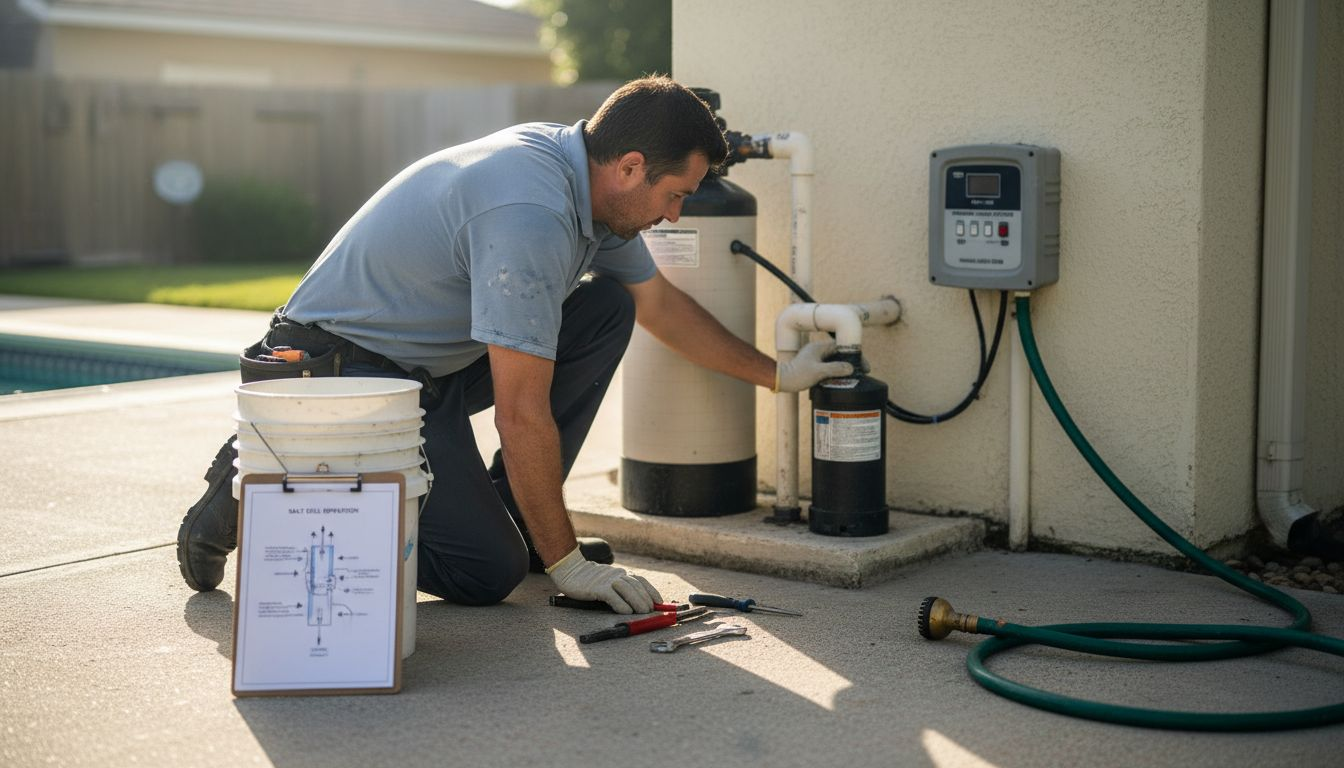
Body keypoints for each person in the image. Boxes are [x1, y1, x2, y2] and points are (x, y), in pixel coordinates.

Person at [176, 76, 851, 614]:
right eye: (675, 196)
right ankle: (265, 488)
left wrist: (780, 375)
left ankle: (519, 519)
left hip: (425, 369)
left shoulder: (585, 183)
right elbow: (519, 411)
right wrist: (567, 565)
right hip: (341, 376)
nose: (675, 215)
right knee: (486, 571)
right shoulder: (530, 213)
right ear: (631, 166)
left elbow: (662, 308)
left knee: (608, 307)